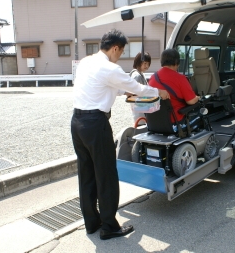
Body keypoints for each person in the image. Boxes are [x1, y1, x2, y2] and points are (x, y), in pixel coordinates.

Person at [71, 29, 169, 240]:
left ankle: (92, 223)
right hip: (96, 124)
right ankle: (109, 226)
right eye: (121, 51)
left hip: (77, 123)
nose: (120, 56)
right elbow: (137, 87)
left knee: (86, 174)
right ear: (115, 48)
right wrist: (157, 92)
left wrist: (125, 91)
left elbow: (104, 87)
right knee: (106, 175)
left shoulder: (86, 62)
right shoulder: (110, 68)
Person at [149, 48, 199, 124]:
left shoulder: (153, 77)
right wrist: (198, 98)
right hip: (176, 121)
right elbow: (191, 101)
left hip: (155, 122)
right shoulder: (180, 78)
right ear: (176, 62)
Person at [129, 52, 151, 125]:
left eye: (148, 64)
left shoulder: (140, 73)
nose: (147, 66)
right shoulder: (137, 76)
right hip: (140, 111)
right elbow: (136, 95)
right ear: (139, 62)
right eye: (145, 63)